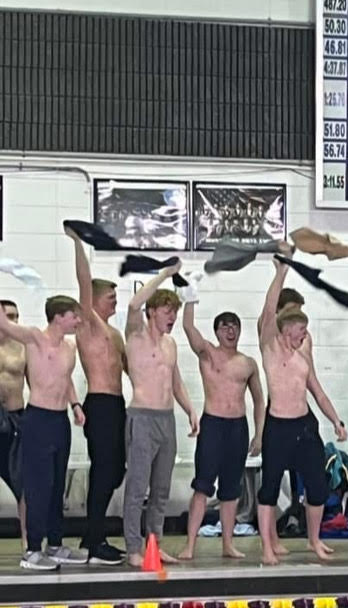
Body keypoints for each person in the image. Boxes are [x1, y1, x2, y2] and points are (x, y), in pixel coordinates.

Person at [257, 250, 347, 565]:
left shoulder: (303, 349)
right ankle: (267, 546)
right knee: (268, 488)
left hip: (304, 425)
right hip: (278, 426)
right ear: (285, 330)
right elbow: (269, 311)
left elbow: (317, 389)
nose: (303, 337)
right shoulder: (269, 345)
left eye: (305, 333)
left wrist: (335, 419)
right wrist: (281, 270)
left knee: (318, 487)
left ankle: (314, 540)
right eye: (299, 332)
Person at [0, 296, 87, 570]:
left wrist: (76, 405)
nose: (78, 321)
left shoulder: (70, 347)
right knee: (39, 487)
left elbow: (66, 378)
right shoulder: (34, 338)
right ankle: (32, 550)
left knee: (57, 487)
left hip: (60, 420)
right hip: (37, 419)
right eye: (74, 316)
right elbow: (3, 323)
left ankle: (56, 544)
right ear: (59, 317)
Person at [122, 261, 199, 568]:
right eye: (168, 312)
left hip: (167, 420)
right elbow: (133, 304)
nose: (173, 318)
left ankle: (154, 543)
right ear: (153, 311)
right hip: (141, 418)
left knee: (161, 490)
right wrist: (166, 274)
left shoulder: (171, 345)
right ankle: (133, 548)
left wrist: (191, 409)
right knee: (137, 488)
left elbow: (175, 381)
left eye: (176, 313)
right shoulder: (136, 335)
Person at [177, 300, 265, 560]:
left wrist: (259, 434)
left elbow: (260, 400)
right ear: (216, 332)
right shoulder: (208, 353)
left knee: (231, 490)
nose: (230, 331)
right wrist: (190, 297)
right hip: (213, 425)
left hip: (237, 428)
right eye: (225, 327)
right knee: (202, 486)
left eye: (234, 326)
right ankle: (190, 545)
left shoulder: (248, 363)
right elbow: (188, 326)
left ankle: (228, 544)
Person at [66, 227, 128, 565]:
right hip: (100, 404)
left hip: (117, 406)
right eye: (111, 298)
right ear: (95, 300)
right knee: (105, 471)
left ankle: (92, 534)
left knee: (115, 471)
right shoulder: (89, 325)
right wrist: (78, 243)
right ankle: (95, 540)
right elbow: (83, 280)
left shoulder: (116, 335)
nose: (115, 303)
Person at [0, 300, 26, 548]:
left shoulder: (23, 348)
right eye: (7, 315)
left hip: (17, 419)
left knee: (24, 486)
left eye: (16, 316)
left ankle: (29, 542)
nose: (12, 321)